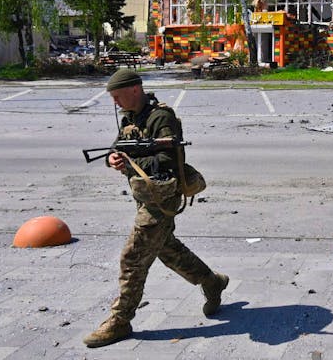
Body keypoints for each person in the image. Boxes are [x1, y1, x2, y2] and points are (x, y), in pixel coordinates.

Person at [83, 68, 229, 348]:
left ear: (135, 90)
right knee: (167, 249)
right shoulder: (130, 117)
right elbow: (119, 148)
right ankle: (212, 282)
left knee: (133, 258)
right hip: (146, 196)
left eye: (117, 96)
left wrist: (130, 163)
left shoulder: (161, 117)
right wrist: (114, 159)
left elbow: (168, 160)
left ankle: (120, 321)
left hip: (163, 198)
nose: (115, 103)